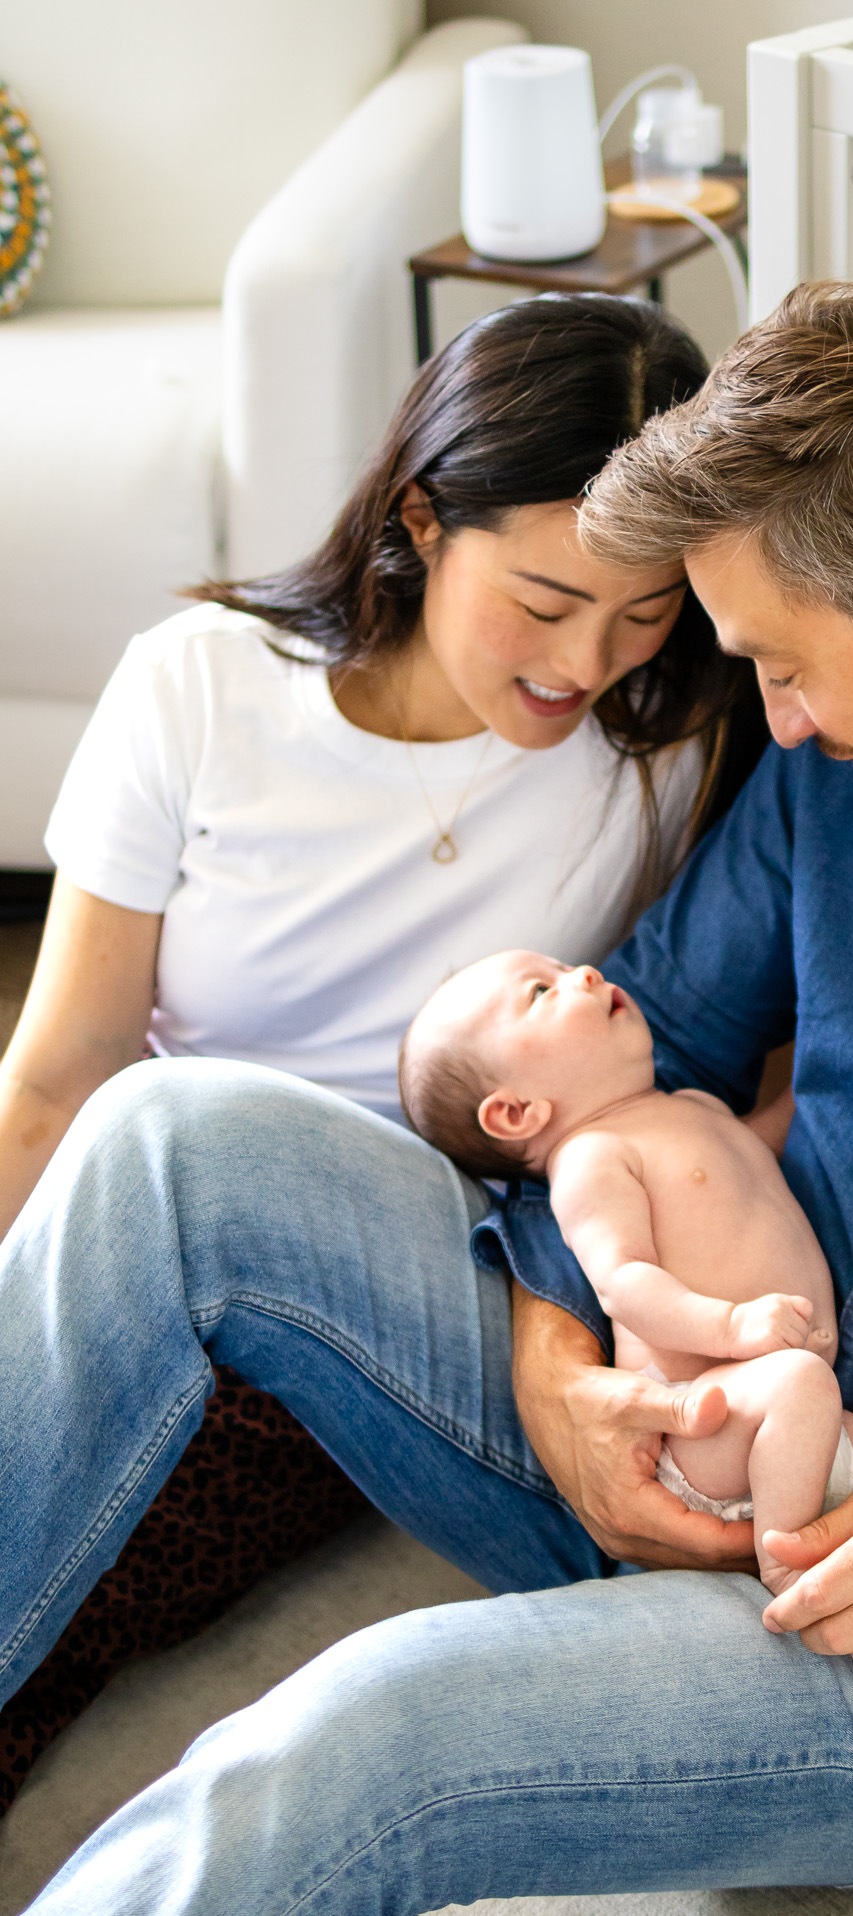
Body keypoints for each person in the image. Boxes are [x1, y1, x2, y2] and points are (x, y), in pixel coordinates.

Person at [3, 282, 853, 1916]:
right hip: (645, 1431)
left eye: (779, 665)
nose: (768, 722)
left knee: (359, 1733)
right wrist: (556, 1357)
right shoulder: (846, 773)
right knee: (168, 1135)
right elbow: (644, 1044)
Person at [0, 293, 764, 1788]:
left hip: (405, 1269)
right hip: (150, 1209)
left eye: (643, 607)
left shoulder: (671, 745)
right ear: (421, 516)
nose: (586, 661)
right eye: (543, 602)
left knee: (103, 1562)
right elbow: (58, 1072)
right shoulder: (201, 686)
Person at [398, 945, 853, 1710]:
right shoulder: (590, 1159)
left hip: (789, 1415)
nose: (583, 975)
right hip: (707, 1420)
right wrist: (731, 1324)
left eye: (565, 968)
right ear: (514, 1112)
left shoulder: (688, 1110)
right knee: (797, 1381)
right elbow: (624, 1285)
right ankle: (790, 1571)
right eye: (541, 991)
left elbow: (771, 1133)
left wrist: (841, 1061)